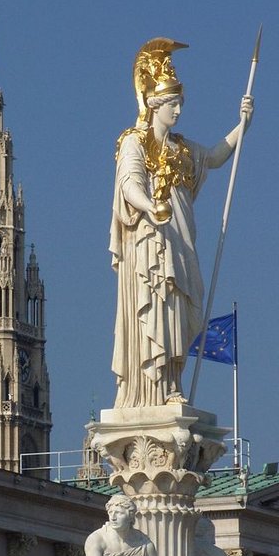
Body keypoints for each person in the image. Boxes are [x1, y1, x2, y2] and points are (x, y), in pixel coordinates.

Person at [110, 37, 254, 408]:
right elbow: (129, 185)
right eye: (172, 104)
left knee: (179, 309)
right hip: (150, 240)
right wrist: (151, 207)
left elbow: (216, 157)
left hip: (182, 238)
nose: (178, 111)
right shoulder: (134, 143)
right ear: (154, 104)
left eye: (180, 104)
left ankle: (173, 379)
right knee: (157, 302)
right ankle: (154, 386)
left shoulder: (183, 147)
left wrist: (242, 125)